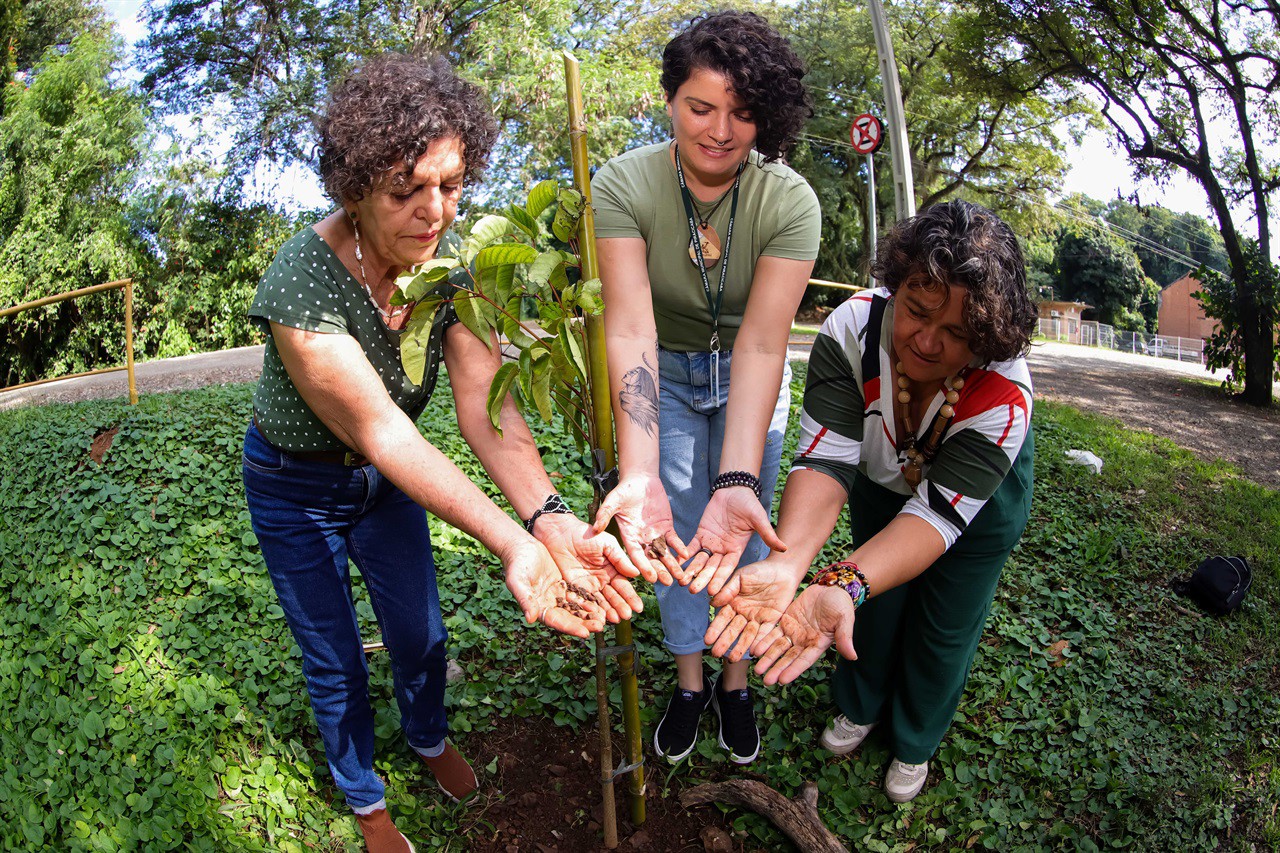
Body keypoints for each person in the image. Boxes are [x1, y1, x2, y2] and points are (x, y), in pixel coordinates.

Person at [241, 54, 649, 853]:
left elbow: (485, 412)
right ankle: (365, 797)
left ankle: (426, 734)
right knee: (333, 658)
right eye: (406, 191)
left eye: (451, 185)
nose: (435, 212)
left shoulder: (453, 281)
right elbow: (386, 432)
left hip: (385, 489)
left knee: (421, 631)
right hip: (295, 487)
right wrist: (510, 542)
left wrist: (551, 518)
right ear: (351, 188)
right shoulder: (300, 287)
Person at [700, 200, 1036, 803]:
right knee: (871, 610)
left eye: (957, 332)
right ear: (896, 285)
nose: (927, 342)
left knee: (945, 630)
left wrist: (845, 581)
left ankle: (915, 743)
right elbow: (827, 457)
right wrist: (791, 562)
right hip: (881, 483)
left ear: (985, 338)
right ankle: (859, 707)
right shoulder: (851, 328)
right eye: (916, 310)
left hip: (974, 515)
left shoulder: (1004, 395)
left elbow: (935, 516)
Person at [590, 10, 821, 766]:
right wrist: (639, 468)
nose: (720, 130)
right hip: (668, 372)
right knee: (675, 530)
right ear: (669, 102)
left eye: (743, 112)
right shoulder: (623, 184)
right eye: (700, 106)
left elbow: (762, 341)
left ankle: (736, 676)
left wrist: (737, 474)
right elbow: (630, 330)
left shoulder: (790, 202)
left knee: (740, 524)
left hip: (751, 374)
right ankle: (691, 682)